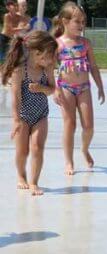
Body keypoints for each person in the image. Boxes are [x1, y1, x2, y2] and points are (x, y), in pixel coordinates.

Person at [53, 1, 104, 176]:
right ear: (65, 22)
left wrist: (100, 86)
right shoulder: (57, 44)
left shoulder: (85, 43)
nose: (81, 26)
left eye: (83, 22)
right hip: (65, 87)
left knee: (88, 127)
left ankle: (84, 149)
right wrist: (54, 89)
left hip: (84, 88)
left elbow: (94, 67)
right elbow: (48, 67)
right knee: (70, 124)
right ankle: (69, 161)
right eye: (78, 22)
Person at [3, 31, 56, 196]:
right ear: (37, 52)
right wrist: (17, 120)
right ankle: (21, 176)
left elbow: (52, 90)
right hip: (23, 116)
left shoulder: (47, 68)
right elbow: (16, 95)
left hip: (41, 114)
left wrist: (41, 88)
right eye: (50, 55)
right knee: (22, 151)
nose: (52, 59)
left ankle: (34, 182)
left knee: (37, 148)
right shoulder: (20, 69)